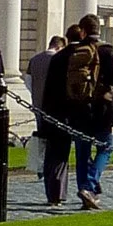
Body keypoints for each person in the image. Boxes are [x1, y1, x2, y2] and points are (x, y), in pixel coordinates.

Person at [68, 14, 113, 208]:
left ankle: (86, 190)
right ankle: (89, 187)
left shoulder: (74, 51)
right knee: (105, 148)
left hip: (80, 108)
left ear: (82, 31)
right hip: (103, 107)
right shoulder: (108, 50)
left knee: (82, 153)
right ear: (98, 30)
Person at [35, 26, 83, 205]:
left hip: (49, 111)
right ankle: (59, 194)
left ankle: (53, 192)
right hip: (68, 114)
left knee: (52, 155)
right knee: (62, 156)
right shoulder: (77, 57)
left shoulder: (57, 58)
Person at [26, 33, 64, 197]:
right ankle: (46, 170)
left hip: (38, 105)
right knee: (54, 144)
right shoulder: (58, 60)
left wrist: (36, 96)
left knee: (41, 137)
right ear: (59, 46)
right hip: (54, 107)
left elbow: (28, 82)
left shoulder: (34, 60)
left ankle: (40, 167)